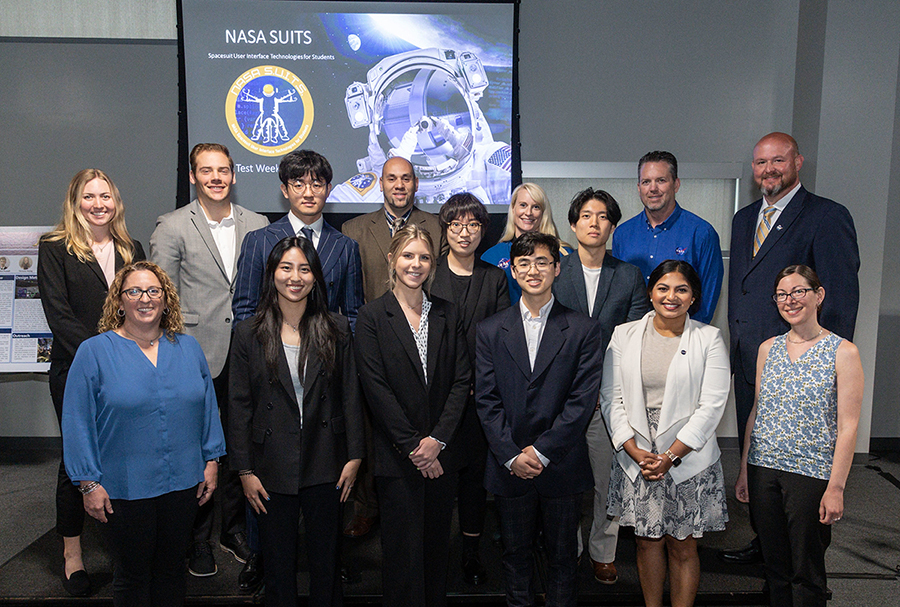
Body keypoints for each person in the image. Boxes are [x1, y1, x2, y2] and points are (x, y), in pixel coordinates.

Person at [721, 132, 860, 565]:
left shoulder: (826, 216)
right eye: (760, 163)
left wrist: (828, 366)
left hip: (806, 369)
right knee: (761, 467)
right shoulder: (744, 219)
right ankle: (767, 544)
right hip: (755, 362)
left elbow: (839, 298)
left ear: (798, 162)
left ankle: (801, 557)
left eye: (778, 161)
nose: (768, 170)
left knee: (803, 476)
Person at [62, 261, 226, 606]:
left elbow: (208, 408)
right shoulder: (94, 352)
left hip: (183, 483)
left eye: (154, 291)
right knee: (133, 577)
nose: (145, 299)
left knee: (171, 571)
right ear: (119, 302)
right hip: (123, 487)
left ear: (166, 300)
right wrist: (88, 483)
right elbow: (77, 422)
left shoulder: (188, 347)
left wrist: (211, 459)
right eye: (133, 291)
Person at [150, 142, 268, 577]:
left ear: (234, 176)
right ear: (193, 177)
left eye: (223, 170)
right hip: (196, 350)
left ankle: (232, 529)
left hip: (251, 349)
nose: (216, 177)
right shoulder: (173, 225)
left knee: (243, 441)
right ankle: (195, 538)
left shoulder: (258, 223)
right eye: (206, 170)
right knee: (198, 444)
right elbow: (161, 293)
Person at [228, 236, 364, 607]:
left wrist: (354, 456)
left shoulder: (335, 328)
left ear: (315, 277)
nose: (295, 276)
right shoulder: (247, 333)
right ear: (271, 274)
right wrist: (243, 470)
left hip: (327, 462)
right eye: (286, 267)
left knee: (327, 566)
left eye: (304, 269)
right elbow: (239, 405)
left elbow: (350, 393)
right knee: (277, 570)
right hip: (269, 465)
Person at [476, 232, 602, 607]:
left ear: (557, 268)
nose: (533, 270)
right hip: (508, 465)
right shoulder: (489, 330)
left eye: (542, 261)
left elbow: (582, 401)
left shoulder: (583, 329)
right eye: (524, 263)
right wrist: (513, 455)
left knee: (564, 559)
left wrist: (543, 451)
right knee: (515, 557)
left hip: (561, 464)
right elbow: (486, 399)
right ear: (513, 271)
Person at [37, 169, 145, 597]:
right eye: (89, 196)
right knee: (75, 461)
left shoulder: (131, 247)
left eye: (106, 196)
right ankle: (72, 554)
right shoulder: (55, 248)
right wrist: (100, 357)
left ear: (115, 202)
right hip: (75, 369)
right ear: (75, 202)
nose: (98, 204)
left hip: (128, 368)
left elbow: (139, 303)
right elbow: (58, 313)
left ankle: (122, 544)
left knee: (122, 455)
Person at [601, 260, 729, 607]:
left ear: (693, 298)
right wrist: (634, 450)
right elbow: (611, 399)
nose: (671, 296)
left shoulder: (708, 338)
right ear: (650, 292)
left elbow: (712, 405)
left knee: (683, 544)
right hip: (637, 453)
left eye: (681, 289)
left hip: (687, 456)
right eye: (663, 288)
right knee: (646, 541)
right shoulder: (623, 334)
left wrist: (671, 455)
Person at [354, 225, 470, 607]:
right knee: (402, 559)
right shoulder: (372, 317)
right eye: (407, 255)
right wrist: (413, 447)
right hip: (397, 459)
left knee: (437, 554)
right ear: (391, 259)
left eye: (422, 257)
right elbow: (376, 389)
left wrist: (436, 442)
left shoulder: (449, 315)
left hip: (442, 456)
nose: (415, 264)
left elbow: (461, 381)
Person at [735, 265, 863, 606]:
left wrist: (836, 487)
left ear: (818, 296)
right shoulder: (768, 348)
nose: (789, 300)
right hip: (764, 469)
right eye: (782, 294)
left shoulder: (843, 352)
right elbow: (757, 411)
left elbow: (848, 426)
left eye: (798, 292)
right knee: (775, 566)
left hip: (811, 473)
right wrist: (746, 467)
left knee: (806, 571)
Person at [340, 156, 445, 538]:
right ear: (380, 183)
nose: (399, 185)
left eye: (406, 179)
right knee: (371, 426)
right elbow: (350, 291)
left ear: (416, 184)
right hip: (372, 340)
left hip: (424, 337)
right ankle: (368, 506)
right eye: (391, 178)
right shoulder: (353, 229)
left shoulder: (437, 226)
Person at [553, 187, 649, 584]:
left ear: (612, 225)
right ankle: (567, 547)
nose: (595, 223)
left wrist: (604, 389)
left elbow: (635, 339)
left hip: (611, 396)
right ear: (573, 224)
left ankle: (602, 551)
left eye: (604, 216)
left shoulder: (627, 275)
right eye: (587, 216)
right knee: (563, 481)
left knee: (605, 481)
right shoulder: (555, 270)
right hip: (560, 396)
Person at [429, 193, 510, 585]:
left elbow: (497, 338)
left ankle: (472, 553)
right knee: (440, 479)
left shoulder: (493, 277)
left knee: (475, 480)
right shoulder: (427, 274)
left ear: (483, 230)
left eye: (473, 225)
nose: (465, 233)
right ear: (445, 229)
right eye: (456, 225)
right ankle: (437, 551)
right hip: (436, 399)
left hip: (479, 398)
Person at [233, 149, 363, 328]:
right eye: (299, 184)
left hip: (327, 349)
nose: (308, 193)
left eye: (317, 185)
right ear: (285, 190)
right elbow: (244, 312)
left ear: (328, 190)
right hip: (271, 348)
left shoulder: (345, 247)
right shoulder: (258, 241)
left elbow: (353, 316)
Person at [611, 151, 724, 324]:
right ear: (638, 187)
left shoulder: (702, 233)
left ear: (676, 184)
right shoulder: (623, 234)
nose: (653, 188)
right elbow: (618, 294)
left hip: (685, 337)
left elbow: (707, 298)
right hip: (633, 337)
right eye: (646, 182)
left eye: (661, 180)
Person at [481, 182, 571, 304]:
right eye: (523, 205)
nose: (528, 213)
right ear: (513, 209)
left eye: (536, 207)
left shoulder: (563, 254)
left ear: (543, 212)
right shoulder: (492, 256)